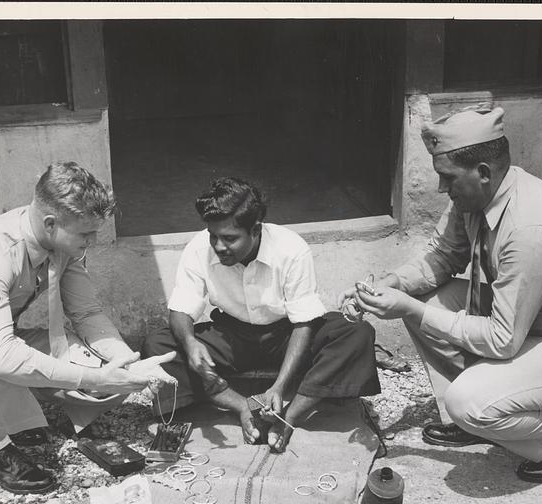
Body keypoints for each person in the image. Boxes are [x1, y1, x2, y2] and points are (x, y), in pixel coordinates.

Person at [339, 106, 542, 483]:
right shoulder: (479, 194)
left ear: (483, 173)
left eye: (447, 179)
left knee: (468, 401)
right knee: (425, 303)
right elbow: (443, 255)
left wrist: (407, 306)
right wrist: (393, 284)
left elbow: (502, 339)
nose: (442, 189)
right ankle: (483, 417)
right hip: (529, 324)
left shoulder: (531, 227)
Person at [0, 162, 177, 494]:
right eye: (86, 234)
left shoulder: (60, 240)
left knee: (95, 359)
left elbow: (87, 313)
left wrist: (128, 364)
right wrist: (96, 380)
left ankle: (41, 417)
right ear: (51, 223)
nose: (93, 241)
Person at [142, 177, 380, 452]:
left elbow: (304, 323)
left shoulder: (291, 248)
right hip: (231, 337)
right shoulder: (198, 249)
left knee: (356, 333)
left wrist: (278, 388)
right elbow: (181, 309)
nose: (219, 246)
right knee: (160, 345)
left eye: (230, 238)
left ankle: (289, 417)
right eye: (213, 236)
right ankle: (239, 405)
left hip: (287, 336)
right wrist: (191, 344)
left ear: (255, 230)